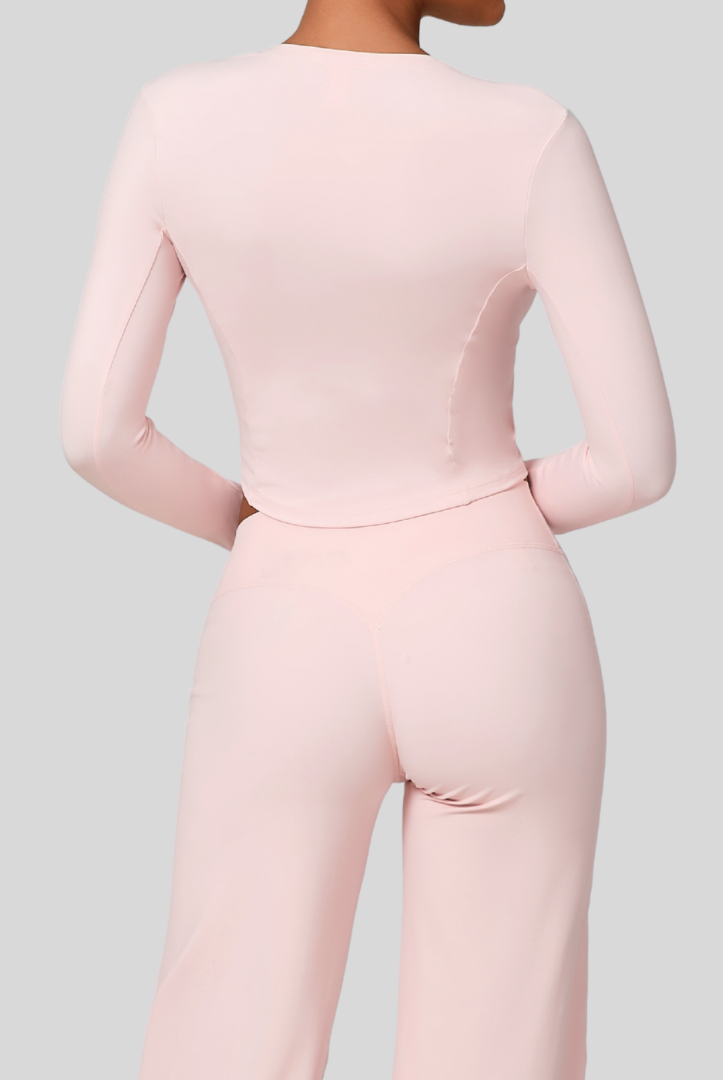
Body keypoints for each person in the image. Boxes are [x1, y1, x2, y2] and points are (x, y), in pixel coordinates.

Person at [59, 0, 676, 1077]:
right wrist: (491, 511)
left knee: (225, 1043)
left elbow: (97, 435)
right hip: (497, 625)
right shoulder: (532, 135)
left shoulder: (176, 121)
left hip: (281, 624)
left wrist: (248, 521)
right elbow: (636, 461)